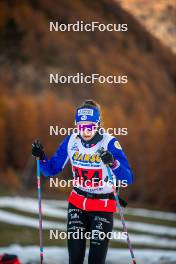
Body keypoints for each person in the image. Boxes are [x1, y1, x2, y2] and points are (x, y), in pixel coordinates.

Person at [32, 99, 133, 264]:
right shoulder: (71, 141)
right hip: (77, 204)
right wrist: (41, 157)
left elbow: (128, 178)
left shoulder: (109, 142)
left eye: (90, 127)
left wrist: (114, 163)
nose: (85, 132)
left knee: (95, 260)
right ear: (76, 125)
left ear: (98, 125)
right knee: (75, 259)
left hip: (102, 206)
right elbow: (50, 170)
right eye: (81, 127)